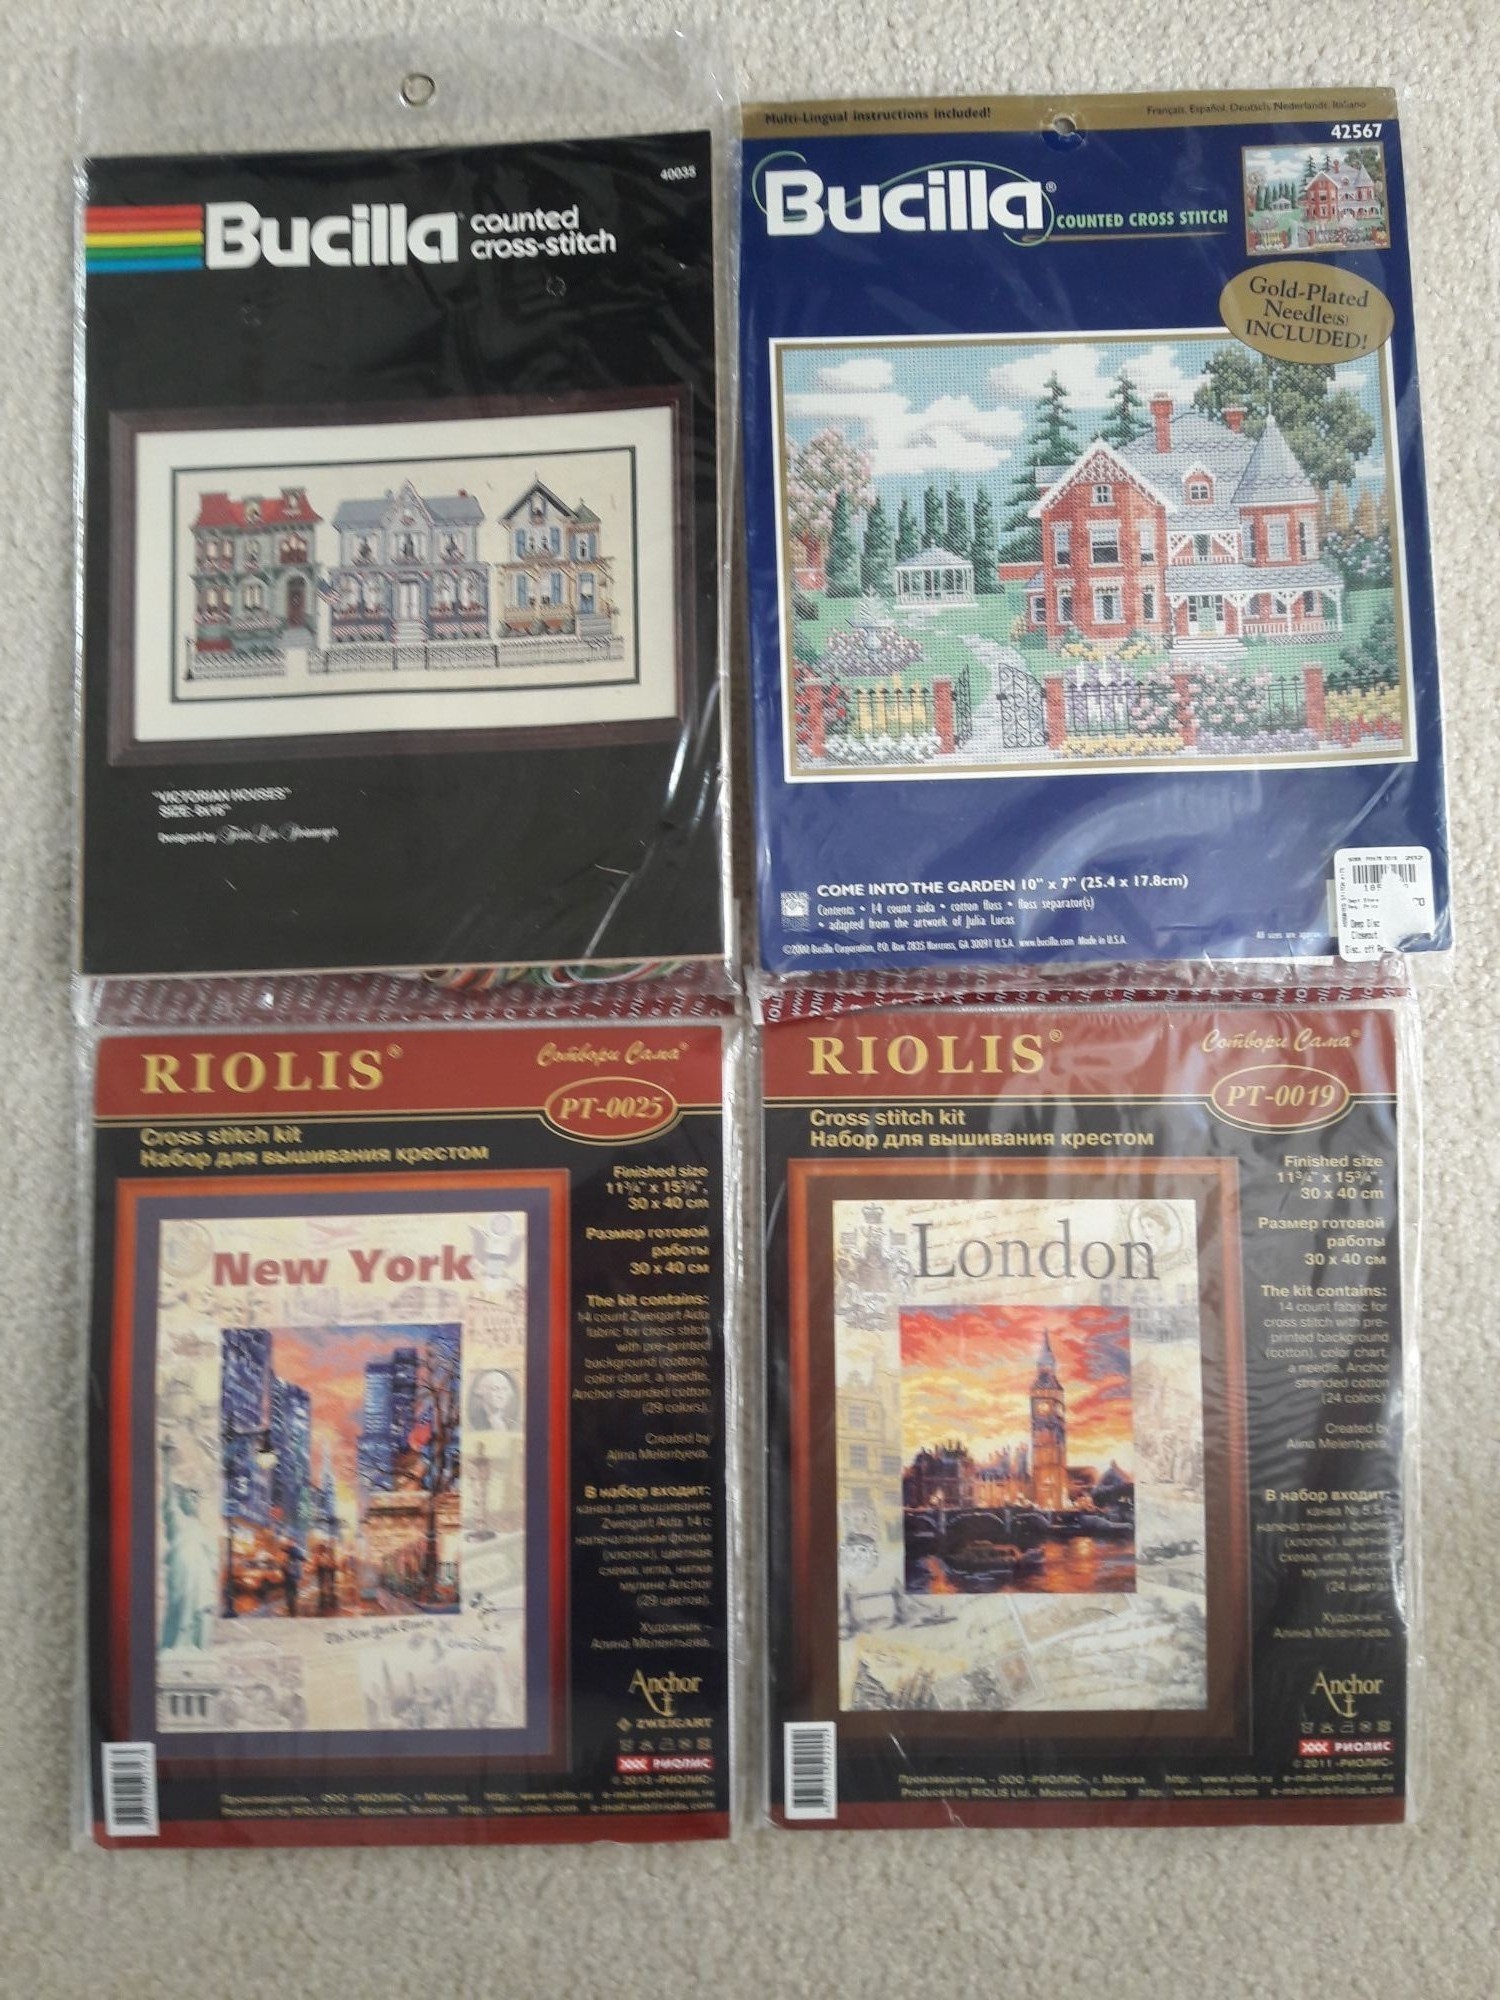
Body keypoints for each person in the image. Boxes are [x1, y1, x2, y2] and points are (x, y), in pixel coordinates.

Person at [160, 1451, 217, 1650]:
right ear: (182, 1500)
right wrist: (166, 1459)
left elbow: (210, 1553)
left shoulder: (198, 1525)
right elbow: (168, 1492)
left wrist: (212, 1568)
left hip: (200, 1572)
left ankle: (195, 1645)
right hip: (181, 1570)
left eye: (196, 1499)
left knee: (200, 1609)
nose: (193, 1501)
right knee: (181, 1604)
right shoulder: (175, 1517)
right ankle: (178, 1644)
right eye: (189, 1498)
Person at [466, 1368, 519, 1434]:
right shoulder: (476, 1421)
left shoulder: (511, 1423)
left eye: (505, 1389)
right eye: (495, 1389)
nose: (501, 1396)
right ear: (482, 1391)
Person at [281, 1540, 304, 1616]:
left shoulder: (289, 1552)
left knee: (290, 1592)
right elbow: (302, 1559)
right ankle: (292, 1609)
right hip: (292, 1576)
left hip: (290, 1576)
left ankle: (291, 1608)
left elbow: (283, 1566)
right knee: (292, 1592)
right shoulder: (295, 1552)